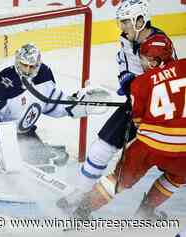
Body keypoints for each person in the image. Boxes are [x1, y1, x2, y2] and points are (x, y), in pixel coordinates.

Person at [56, 0, 178, 211]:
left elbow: (166, 84)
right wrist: (127, 82)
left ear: (140, 20)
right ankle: (81, 193)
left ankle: (145, 210)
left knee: (164, 165)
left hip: (160, 114)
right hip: (137, 105)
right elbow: (124, 68)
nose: (121, 28)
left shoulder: (159, 45)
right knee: (100, 149)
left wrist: (134, 90)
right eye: (120, 22)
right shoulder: (127, 40)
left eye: (125, 22)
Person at [0, 43, 110, 172]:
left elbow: (52, 104)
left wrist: (80, 106)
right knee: (14, 172)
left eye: (32, 66)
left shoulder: (44, 75)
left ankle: (41, 151)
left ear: (38, 64)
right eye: (24, 65)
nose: (27, 70)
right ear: (17, 61)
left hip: (23, 133)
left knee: (45, 167)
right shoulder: (3, 83)